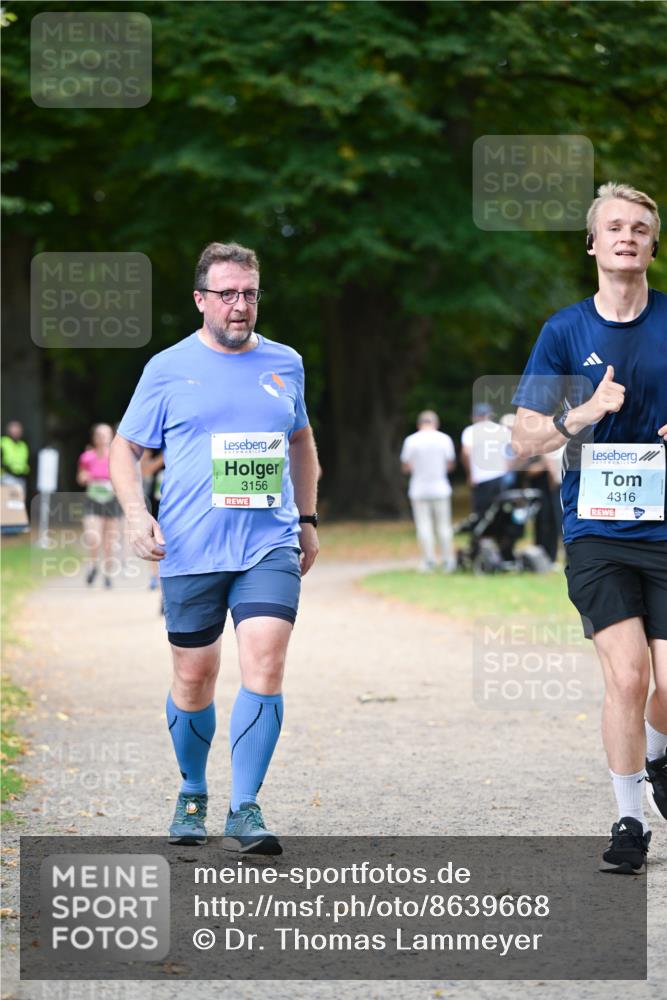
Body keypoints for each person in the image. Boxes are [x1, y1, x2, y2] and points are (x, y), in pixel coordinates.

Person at [110, 242, 319, 854]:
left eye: (249, 293)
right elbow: (126, 448)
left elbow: (302, 441)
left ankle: (245, 808)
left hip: (268, 541)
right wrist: (133, 513)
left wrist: (305, 517)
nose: (239, 305)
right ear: (201, 299)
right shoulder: (168, 368)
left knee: (266, 661)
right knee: (193, 676)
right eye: (226, 294)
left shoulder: (286, 363)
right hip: (190, 547)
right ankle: (194, 790)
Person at [512, 183, 667, 874]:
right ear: (592, 244)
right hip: (596, 529)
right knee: (628, 676)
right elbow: (523, 440)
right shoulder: (564, 331)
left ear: (652, 245)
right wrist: (581, 413)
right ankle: (627, 820)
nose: (626, 235)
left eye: (639, 227)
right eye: (613, 227)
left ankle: (657, 759)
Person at [400, 410, 456, 571]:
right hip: (440, 488)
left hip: (419, 488)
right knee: (444, 526)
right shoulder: (444, 439)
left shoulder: (411, 440)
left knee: (424, 526)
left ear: (419, 424)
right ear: (436, 424)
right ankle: (447, 561)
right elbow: (450, 464)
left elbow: (406, 466)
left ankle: (428, 561)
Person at [77, 423, 123, 588]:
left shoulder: (117, 456)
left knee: (109, 541)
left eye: (107, 435)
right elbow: (80, 477)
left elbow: (124, 479)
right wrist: (85, 477)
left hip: (111, 501)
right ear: (95, 438)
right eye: (100, 435)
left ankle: (108, 574)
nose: (103, 438)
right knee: (93, 536)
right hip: (93, 499)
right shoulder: (87, 457)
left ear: (111, 437)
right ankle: (93, 565)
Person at [461, 404, 512, 517]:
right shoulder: (501, 429)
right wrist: (509, 466)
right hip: (500, 476)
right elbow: (515, 451)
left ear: (474, 417)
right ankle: (500, 534)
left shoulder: (470, 431)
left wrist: (470, 474)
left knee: (481, 513)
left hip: (480, 477)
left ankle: (484, 534)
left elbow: (466, 452)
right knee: (500, 511)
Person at [1, 420, 30, 496]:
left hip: (21, 478)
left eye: (18, 430)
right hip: (6, 477)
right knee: (7, 502)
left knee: (18, 503)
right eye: (14, 430)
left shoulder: (23, 445)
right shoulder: (3, 442)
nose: (16, 432)